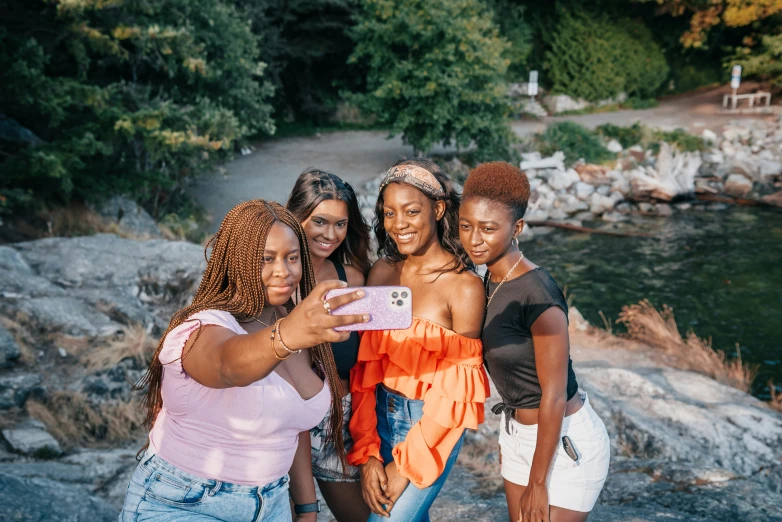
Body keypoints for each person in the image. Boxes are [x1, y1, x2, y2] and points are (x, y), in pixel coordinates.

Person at [119, 200, 370, 522]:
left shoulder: (293, 325)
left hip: (272, 502)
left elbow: (290, 426)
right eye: (266, 259)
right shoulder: (203, 327)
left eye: (292, 258)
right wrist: (290, 334)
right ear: (237, 261)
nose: (284, 271)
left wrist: (307, 507)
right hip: (187, 501)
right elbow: (228, 366)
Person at [458, 162, 610, 522]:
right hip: (517, 434)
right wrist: (513, 443)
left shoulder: (538, 294)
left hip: (564, 441)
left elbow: (554, 394)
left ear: (517, 228)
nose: (474, 239)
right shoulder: (487, 279)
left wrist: (538, 482)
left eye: (488, 229)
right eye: (466, 226)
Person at [348, 159, 489, 522]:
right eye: (390, 213)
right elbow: (368, 368)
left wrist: (405, 467)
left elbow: (457, 389)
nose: (399, 225)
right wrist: (368, 452)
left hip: (430, 425)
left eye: (411, 211)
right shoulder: (384, 272)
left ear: (438, 209)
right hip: (380, 417)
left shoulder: (464, 287)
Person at [286, 168, 371, 522]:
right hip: (285, 425)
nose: (331, 234)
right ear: (296, 217)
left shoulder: (350, 278)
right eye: (320, 221)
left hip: (338, 421)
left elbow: (366, 356)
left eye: (340, 224)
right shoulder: (273, 278)